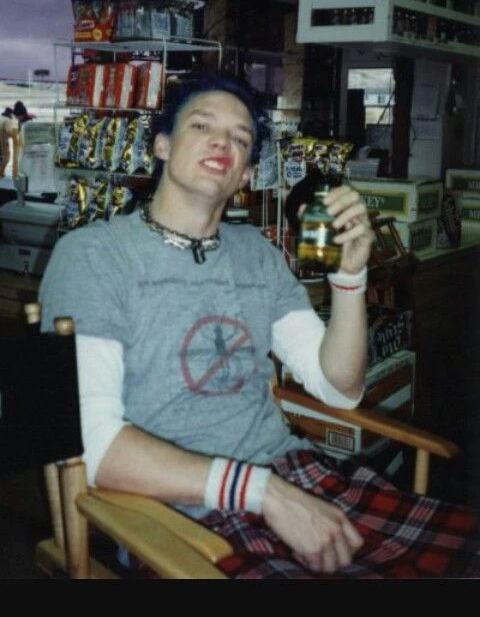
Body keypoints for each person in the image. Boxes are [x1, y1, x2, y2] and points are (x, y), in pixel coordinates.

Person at [39, 74, 480, 580]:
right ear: (162, 144)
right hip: (175, 515)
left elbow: (339, 390)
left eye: (241, 138)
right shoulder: (91, 256)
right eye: (202, 125)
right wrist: (263, 493)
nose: (222, 142)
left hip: (295, 477)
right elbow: (89, 442)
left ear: (247, 173)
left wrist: (349, 278)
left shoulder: (257, 255)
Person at [0, 107, 20, 178]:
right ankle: (1, 172)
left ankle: (1, 172)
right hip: (3, 141)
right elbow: (9, 132)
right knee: (6, 158)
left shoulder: (1, 118)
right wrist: (16, 134)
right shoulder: (7, 120)